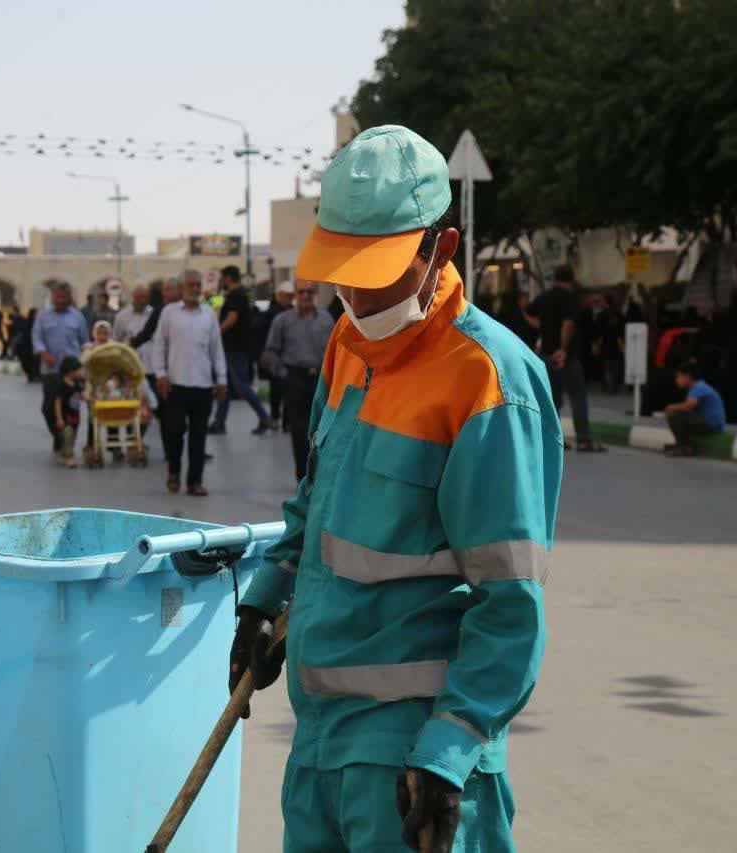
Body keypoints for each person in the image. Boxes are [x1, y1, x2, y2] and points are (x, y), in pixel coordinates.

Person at [231, 125, 560, 853]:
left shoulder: (488, 382)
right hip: (318, 734)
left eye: (375, 271)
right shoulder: (348, 348)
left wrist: (450, 750)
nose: (354, 292)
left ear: (439, 247)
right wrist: (264, 596)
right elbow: (311, 502)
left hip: (407, 754)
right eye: (342, 270)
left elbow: (510, 602)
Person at [152, 269, 226, 496]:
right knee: (174, 431)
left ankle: (195, 481)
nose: (195, 289)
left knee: (199, 435)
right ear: (182, 288)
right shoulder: (169, 313)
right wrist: (160, 374)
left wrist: (221, 379)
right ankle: (173, 472)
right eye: (191, 285)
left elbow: (217, 349)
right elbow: (159, 345)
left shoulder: (209, 315)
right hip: (175, 384)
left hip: (203, 385)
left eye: (197, 285)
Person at [262, 279, 335, 482]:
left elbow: (335, 351)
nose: (305, 295)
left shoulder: (326, 320)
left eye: (310, 292)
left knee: (323, 429)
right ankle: (302, 478)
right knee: (299, 430)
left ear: (315, 294)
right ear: (295, 295)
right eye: (301, 292)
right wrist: (283, 374)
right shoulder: (282, 321)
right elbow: (270, 352)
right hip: (294, 378)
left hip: (320, 380)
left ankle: (320, 476)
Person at [527, 265, 605, 451]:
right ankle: (584, 439)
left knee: (553, 400)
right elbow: (568, 324)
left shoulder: (544, 297)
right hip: (565, 357)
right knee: (577, 397)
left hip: (545, 355)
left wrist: (543, 328)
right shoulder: (570, 299)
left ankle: (553, 440)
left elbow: (528, 312)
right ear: (571, 279)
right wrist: (562, 349)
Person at [210, 265, 274, 435]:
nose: (220, 281)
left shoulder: (236, 295)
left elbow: (231, 318)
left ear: (228, 278)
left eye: (222, 278)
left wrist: (215, 333)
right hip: (234, 347)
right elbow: (217, 305)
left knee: (241, 385)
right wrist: (215, 293)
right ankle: (219, 422)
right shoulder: (232, 295)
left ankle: (265, 417)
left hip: (235, 348)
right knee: (227, 386)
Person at [663, 359, 726, 457]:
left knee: (674, 415)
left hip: (712, 423)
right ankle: (683, 445)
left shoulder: (698, 387)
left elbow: (688, 406)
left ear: (687, 376)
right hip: (709, 422)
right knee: (679, 415)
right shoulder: (696, 387)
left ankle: (685, 447)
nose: (677, 380)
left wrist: (671, 407)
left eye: (679, 376)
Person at [32, 281, 89, 375]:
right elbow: (37, 338)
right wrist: (45, 354)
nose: (60, 301)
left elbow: (84, 342)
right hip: (50, 369)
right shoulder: (42, 316)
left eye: (64, 297)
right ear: (52, 297)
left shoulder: (78, 316)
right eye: (58, 297)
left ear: (69, 298)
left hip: (73, 370)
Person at [263, 281, 296, 428]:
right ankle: (275, 417)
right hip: (276, 358)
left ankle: (287, 420)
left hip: (290, 359)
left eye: (290, 296)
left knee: (290, 393)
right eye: (286, 296)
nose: (288, 299)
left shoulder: (295, 312)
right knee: (275, 390)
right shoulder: (271, 312)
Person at [42, 356, 84, 467]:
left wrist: (91, 398)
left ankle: (65, 453)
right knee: (67, 435)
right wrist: (59, 418)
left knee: (73, 436)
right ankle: (68, 458)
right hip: (65, 417)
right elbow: (57, 402)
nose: (80, 372)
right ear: (70, 371)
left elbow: (82, 395)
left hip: (75, 416)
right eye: (78, 370)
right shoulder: (62, 384)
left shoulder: (77, 383)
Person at [16, 308, 40, 382]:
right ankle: (32, 375)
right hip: (28, 347)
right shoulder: (28, 323)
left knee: (36, 361)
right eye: (36, 314)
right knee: (30, 361)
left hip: (35, 347)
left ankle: (35, 375)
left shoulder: (39, 324)